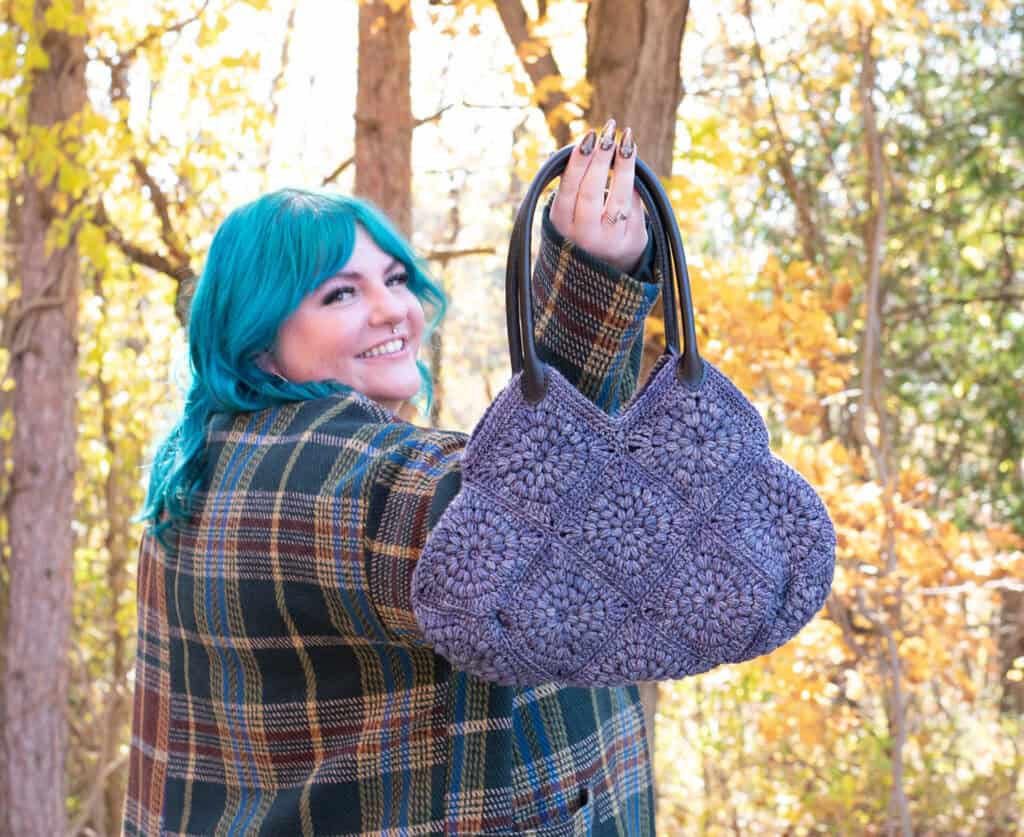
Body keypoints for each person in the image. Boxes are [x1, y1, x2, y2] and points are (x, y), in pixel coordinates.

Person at [124, 119, 663, 836]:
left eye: (395, 278)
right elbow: (521, 529)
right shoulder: (332, 476)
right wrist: (592, 284)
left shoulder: (199, 475)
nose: (394, 310)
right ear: (257, 345)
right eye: (339, 294)